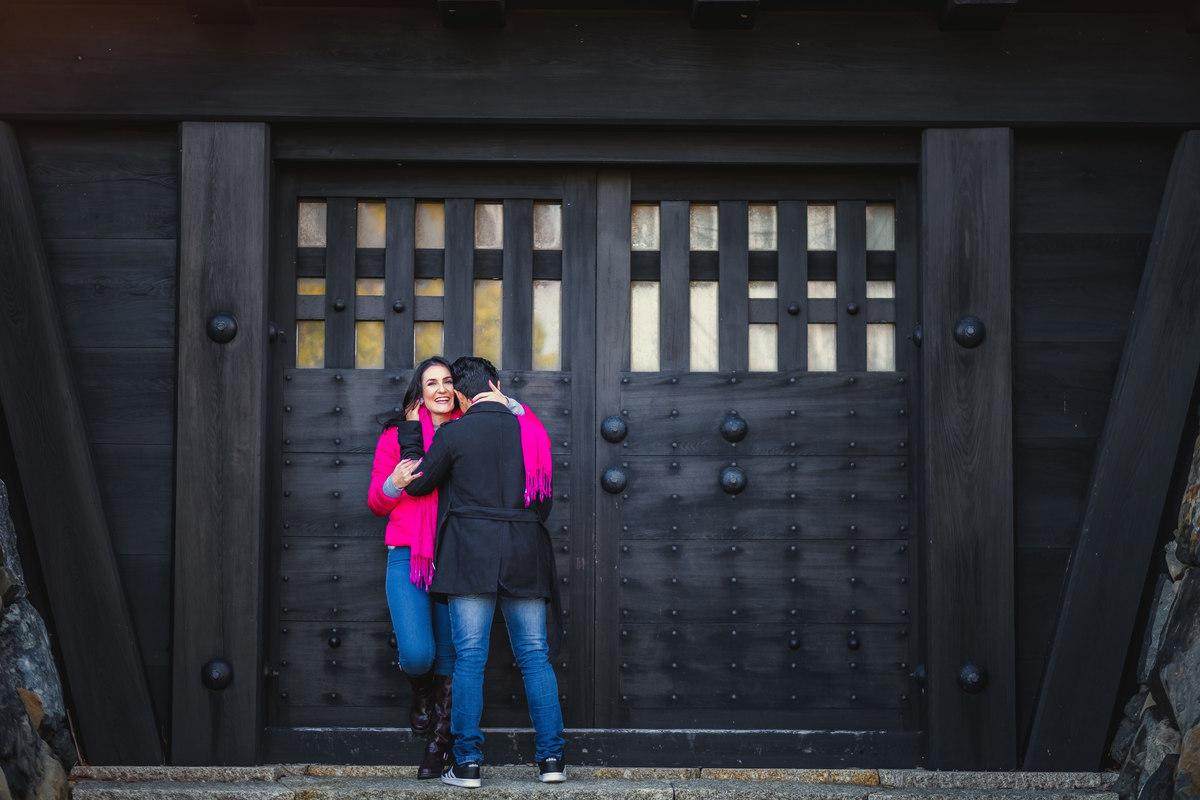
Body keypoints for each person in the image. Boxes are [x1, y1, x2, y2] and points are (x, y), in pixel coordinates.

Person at [392, 356, 565, 789]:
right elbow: (542, 503)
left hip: (471, 555)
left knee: (469, 658)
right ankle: (551, 762)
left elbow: (416, 483)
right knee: (535, 657)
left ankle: (467, 764)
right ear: (497, 384)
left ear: (463, 395)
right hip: (525, 553)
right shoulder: (530, 430)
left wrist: (411, 434)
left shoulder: (454, 431)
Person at [366, 356, 522, 778]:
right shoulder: (397, 434)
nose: (439, 388)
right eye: (430, 382)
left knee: (452, 658)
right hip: (407, 554)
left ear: (457, 389)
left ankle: (440, 744)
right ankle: (421, 689)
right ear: (419, 391)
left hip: (456, 555)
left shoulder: (467, 427)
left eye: (447, 381)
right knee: (419, 655)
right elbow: (376, 502)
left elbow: (522, 428)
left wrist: (504, 399)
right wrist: (392, 484)